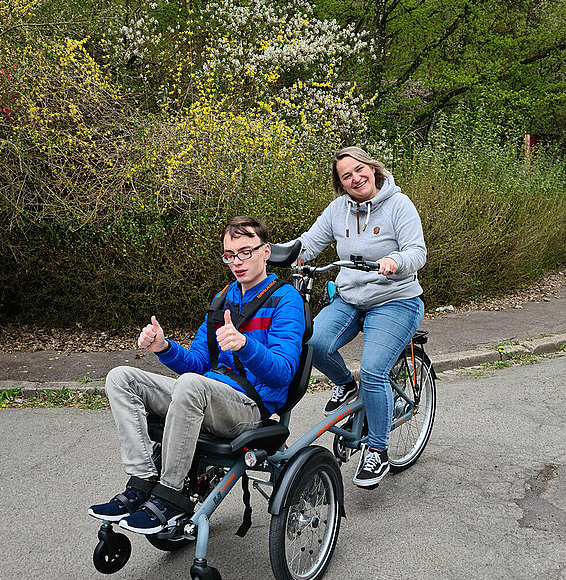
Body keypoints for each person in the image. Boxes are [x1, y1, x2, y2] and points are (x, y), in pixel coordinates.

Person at [89, 215, 305, 534]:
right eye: (230, 255)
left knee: (191, 386)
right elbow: (197, 362)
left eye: (245, 251)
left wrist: (245, 345)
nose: (237, 261)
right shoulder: (223, 299)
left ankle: (170, 497)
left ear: (265, 251)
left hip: (249, 406)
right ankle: (142, 482)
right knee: (121, 377)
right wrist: (163, 347)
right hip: (206, 394)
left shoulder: (286, 300)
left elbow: (283, 374)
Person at [293, 146, 426, 489]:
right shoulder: (338, 210)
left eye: (359, 170)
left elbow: (417, 251)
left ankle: (378, 450)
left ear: (372, 167)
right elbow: (308, 243)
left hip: (395, 299)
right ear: (340, 184)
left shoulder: (399, 204)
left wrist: (396, 261)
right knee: (313, 343)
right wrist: (271, 254)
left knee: (373, 369)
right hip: (351, 298)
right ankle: (345, 384)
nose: (355, 178)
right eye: (346, 176)